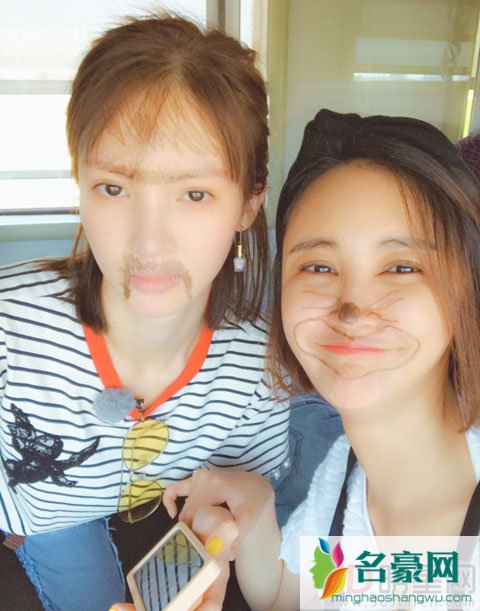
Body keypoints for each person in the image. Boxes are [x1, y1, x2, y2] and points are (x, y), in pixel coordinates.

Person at [0, 13, 290, 611]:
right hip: (46, 523)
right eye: (114, 188)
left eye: (194, 194)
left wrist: (220, 521)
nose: (149, 243)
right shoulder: (12, 330)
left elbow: (240, 494)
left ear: (248, 203)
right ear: (80, 181)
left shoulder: (259, 367)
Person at [164, 109, 480, 610]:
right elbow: (292, 596)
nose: (352, 310)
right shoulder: (345, 472)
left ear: (467, 284)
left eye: (402, 267)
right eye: (318, 266)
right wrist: (257, 505)